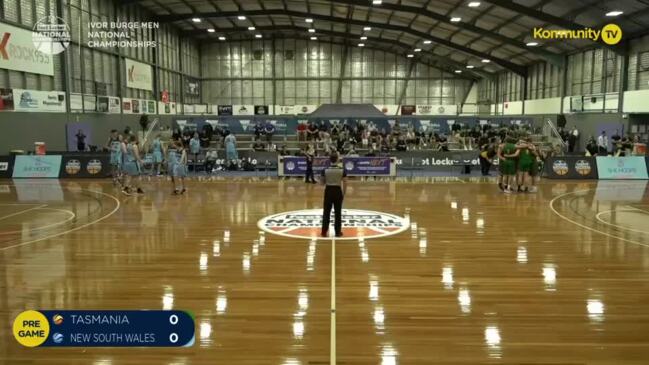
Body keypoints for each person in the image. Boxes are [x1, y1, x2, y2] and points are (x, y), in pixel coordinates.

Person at [320, 153, 347, 238]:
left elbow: (322, 183)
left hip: (328, 191)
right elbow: (345, 182)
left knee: (326, 212)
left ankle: (324, 231)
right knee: (338, 212)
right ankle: (338, 232)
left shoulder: (325, 170)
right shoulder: (342, 170)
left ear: (330, 160)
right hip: (337, 191)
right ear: (337, 159)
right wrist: (343, 193)